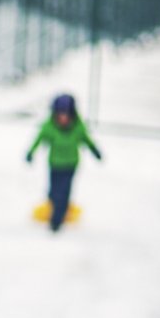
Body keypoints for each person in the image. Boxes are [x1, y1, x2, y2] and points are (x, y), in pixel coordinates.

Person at [26, 93, 102, 232]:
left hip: (70, 165)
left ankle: (56, 220)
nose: (63, 118)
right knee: (54, 190)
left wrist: (94, 150)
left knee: (64, 191)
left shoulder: (78, 127)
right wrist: (31, 152)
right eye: (60, 114)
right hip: (55, 164)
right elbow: (39, 139)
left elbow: (86, 139)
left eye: (66, 114)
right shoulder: (49, 126)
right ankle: (55, 206)